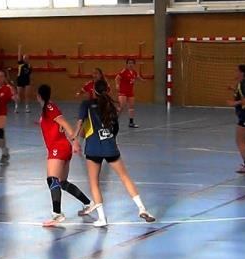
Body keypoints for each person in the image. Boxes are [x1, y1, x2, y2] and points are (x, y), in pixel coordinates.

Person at [74, 80, 156, 227]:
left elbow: (80, 123)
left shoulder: (86, 104)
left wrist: (74, 139)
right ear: (107, 90)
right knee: (125, 177)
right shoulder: (111, 106)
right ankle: (142, 208)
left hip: (94, 148)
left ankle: (102, 218)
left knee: (94, 183)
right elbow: (115, 128)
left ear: (93, 90)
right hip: (110, 146)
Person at [37, 84, 96, 227]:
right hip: (62, 148)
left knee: (52, 180)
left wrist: (75, 141)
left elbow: (65, 123)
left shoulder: (50, 108)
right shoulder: (48, 109)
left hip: (59, 147)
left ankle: (57, 214)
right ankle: (88, 203)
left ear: (38, 96)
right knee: (62, 182)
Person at [115, 58, 147, 128]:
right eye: (129, 63)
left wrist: (143, 80)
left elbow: (138, 77)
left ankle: (131, 122)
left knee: (131, 107)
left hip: (130, 92)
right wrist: (117, 85)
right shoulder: (124, 71)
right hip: (123, 91)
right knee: (121, 106)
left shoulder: (134, 72)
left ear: (134, 64)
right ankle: (114, 120)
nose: (130, 65)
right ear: (127, 64)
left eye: (132, 63)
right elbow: (117, 78)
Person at [15, 45, 32, 113]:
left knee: (27, 95)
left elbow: (30, 74)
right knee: (19, 95)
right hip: (20, 81)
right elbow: (19, 56)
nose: (26, 59)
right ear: (23, 59)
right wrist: (19, 49)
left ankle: (27, 107)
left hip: (27, 81)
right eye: (25, 58)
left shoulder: (29, 65)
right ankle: (16, 107)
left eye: (27, 58)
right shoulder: (20, 64)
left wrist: (31, 81)